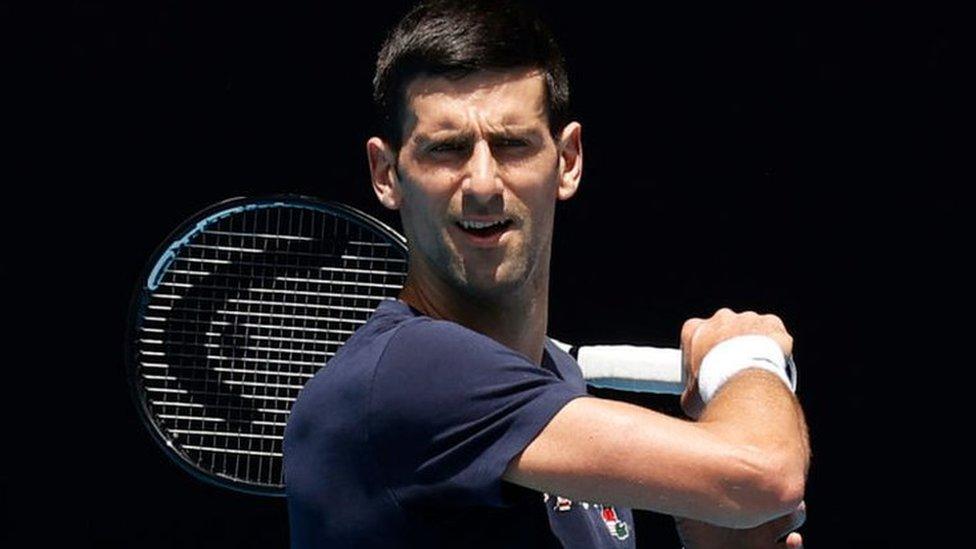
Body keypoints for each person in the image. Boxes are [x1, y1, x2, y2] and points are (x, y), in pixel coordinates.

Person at [283, 1, 810, 547]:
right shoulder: (409, 372)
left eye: (512, 144)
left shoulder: (560, 384)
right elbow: (764, 473)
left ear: (568, 160)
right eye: (447, 149)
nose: (482, 183)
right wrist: (746, 357)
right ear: (386, 174)